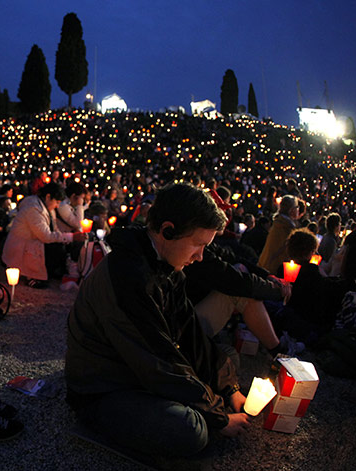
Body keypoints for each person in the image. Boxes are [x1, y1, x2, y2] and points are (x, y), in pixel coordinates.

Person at [66, 183, 250, 461]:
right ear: (167, 231)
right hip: (104, 383)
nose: (200, 257)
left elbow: (189, 333)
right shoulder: (128, 277)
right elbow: (156, 360)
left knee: (227, 359)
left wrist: (229, 388)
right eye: (198, 245)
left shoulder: (166, 265)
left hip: (139, 366)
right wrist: (217, 416)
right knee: (190, 430)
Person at [2, 183, 86, 289]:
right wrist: (71, 237)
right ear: (48, 197)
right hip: (22, 248)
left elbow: (54, 228)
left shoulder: (45, 207)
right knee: (54, 250)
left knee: (60, 248)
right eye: (57, 202)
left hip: (34, 243)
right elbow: (45, 236)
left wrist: (66, 237)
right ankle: (31, 277)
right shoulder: (33, 209)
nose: (57, 206)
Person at [258, 195, 299, 274]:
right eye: (297, 207)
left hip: (266, 265)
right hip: (274, 269)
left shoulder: (279, 223)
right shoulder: (285, 228)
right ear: (291, 210)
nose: (298, 209)